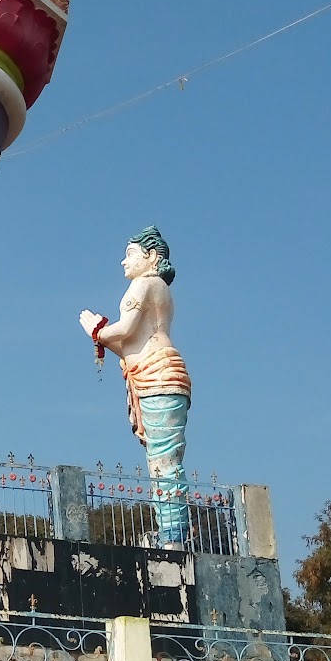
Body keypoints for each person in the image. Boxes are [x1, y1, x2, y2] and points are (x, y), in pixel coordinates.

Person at [79, 226, 192, 546]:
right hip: (153, 372)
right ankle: (170, 530)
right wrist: (102, 336)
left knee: (164, 461)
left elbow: (126, 329)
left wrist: (98, 332)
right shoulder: (158, 289)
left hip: (158, 375)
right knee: (160, 459)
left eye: (130, 254)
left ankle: (174, 536)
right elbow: (131, 347)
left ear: (152, 257)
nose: (123, 262)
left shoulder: (145, 284)